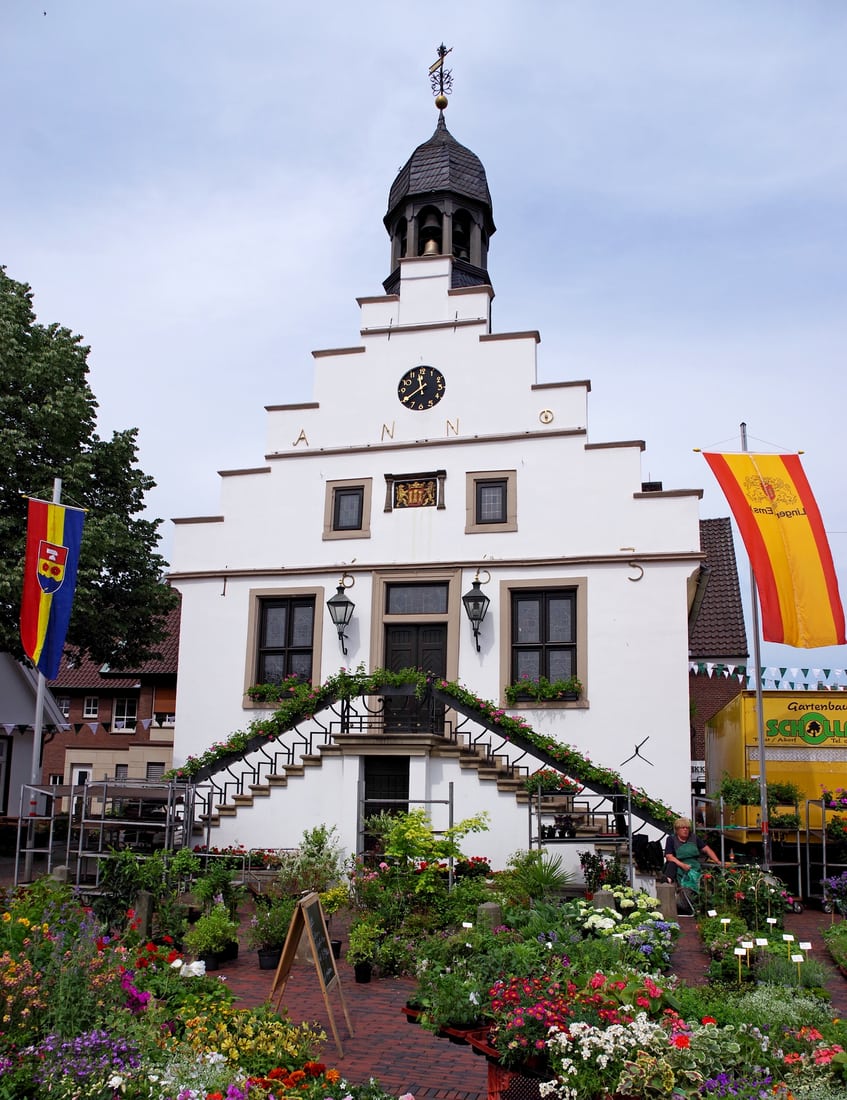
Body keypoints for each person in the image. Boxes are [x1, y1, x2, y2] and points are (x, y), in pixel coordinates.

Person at [663, 817, 720, 885]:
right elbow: (669, 856)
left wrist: (718, 861)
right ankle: (668, 880)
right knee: (672, 864)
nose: (685, 830)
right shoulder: (671, 839)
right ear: (677, 830)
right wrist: (682, 865)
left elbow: (707, 849)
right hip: (679, 864)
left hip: (693, 865)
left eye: (687, 828)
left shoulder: (694, 837)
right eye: (683, 828)